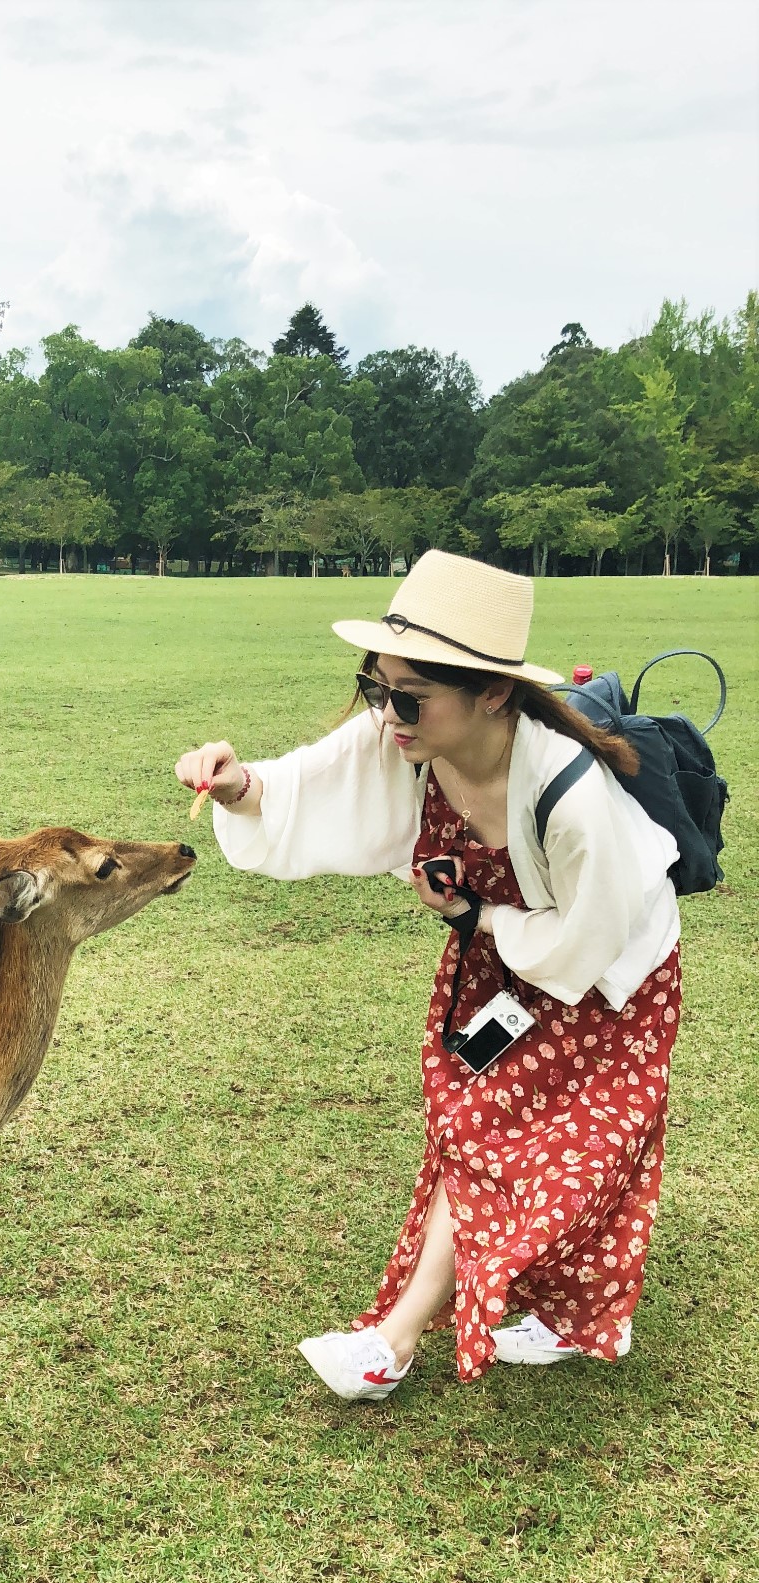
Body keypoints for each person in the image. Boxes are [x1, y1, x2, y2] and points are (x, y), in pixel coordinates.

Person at [175, 550, 680, 1402]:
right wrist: (237, 786)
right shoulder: (405, 739)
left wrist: (477, 920)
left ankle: (397, 1340)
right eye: (376, 688)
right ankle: (496, 1325)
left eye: (409, 697)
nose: (387, 713)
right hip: (503, 965)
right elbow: (307, 784)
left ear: (491, 693)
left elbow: (590, 939)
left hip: (608, 981)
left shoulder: (570, 794)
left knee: (547, 1146)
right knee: (477, 1131)